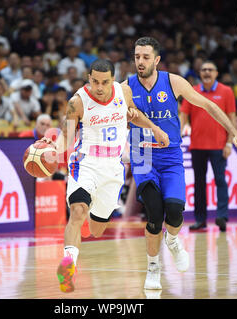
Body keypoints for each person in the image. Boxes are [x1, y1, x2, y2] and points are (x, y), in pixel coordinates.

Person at [125, 37, 237, 290]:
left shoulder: (173, 82)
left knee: (174, 211)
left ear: (156, 60)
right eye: (137, 56)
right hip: (143, 155)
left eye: (146, 57)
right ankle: (153, 268)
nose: (140, 61)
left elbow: (208, 106)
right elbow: (117, 113)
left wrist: (233, 133)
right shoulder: (126, 86)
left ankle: (172, 240)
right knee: (154, 214)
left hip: (170, 155)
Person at [40, 59, 170, 293]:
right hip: (85, 163)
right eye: (95, 81)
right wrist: (52, 148)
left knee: (97, 230)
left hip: (113, 167)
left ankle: (86, 225)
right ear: (88, 78)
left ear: (113, 79)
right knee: (78, 211)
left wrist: (155, 128)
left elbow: (134, 116)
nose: (99, 87)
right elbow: (66, 137)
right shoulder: (77, 102)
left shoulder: (124, 92)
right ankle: (68, 267)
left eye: (105, 82)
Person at [180, 61, 237, 233]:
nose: (206, 72)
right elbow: (184, 115)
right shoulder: (192, 91)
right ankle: (200, 220)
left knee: (220, 180)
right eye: (203, 69)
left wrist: (229, 142)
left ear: (216, 73)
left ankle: (222, 216)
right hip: (197, 145)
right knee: (199, 184)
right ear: (200, 73)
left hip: (219, 145)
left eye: (210, 70)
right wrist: (182, 129)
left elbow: (232, 118)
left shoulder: (226, 92)